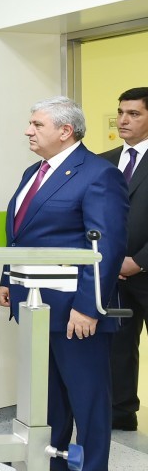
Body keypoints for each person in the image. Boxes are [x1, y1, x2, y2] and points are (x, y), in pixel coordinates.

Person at [0, 97, 128, 471]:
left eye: (37, 124)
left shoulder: (98, 174)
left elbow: (105, 246)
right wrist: (8, 278)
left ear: (65, 131)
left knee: (87, 395)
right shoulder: (33, 172)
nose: (28, 130)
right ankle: (52, 457)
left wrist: (89, 306)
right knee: (48, 390)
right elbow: (21, 233)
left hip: (75, 307)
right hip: (35, 301)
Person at [102, 87, 148, 432]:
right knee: (118, 345)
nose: (123, 120)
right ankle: (121, 414)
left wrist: (140, 260)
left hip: (143, 268)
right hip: (112, 274)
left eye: (134, 114)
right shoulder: (103, 161)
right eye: (120, 112)